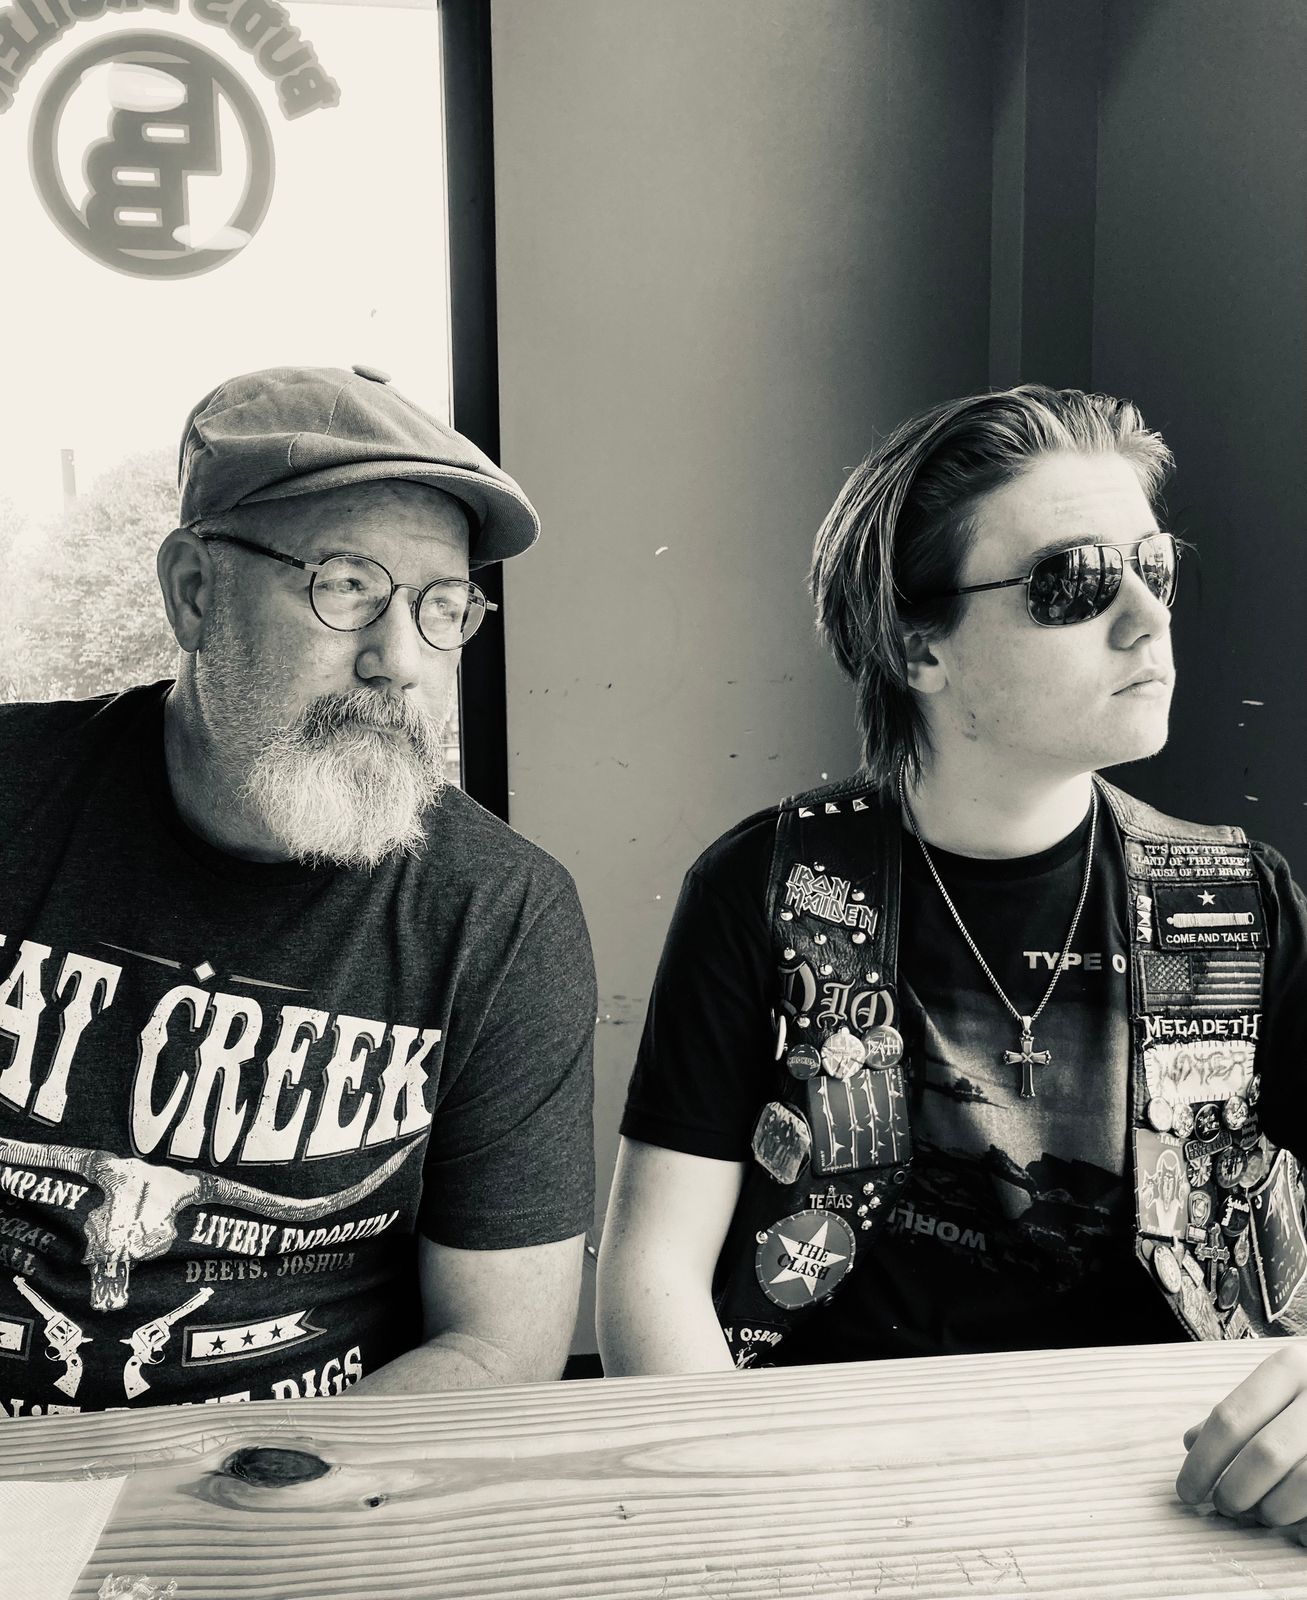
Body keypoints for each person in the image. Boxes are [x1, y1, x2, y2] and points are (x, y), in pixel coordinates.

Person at [597, 384, 1307, 1531]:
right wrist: (736, 1515)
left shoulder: (1231, 903)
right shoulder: (767, 887)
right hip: (827, 1481)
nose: (1145, 619)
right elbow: (653, 1271)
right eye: (1074, 581)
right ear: (916, 644)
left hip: (1169, 1486)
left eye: (1154, 568)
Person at [0, 364, 595, 1414]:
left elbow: (496, 1345)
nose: (399, 660)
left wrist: (249, 1485)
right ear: (195, 591)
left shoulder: (500, 913)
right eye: (347, 585)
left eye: (442, 607)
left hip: (321, 1472)